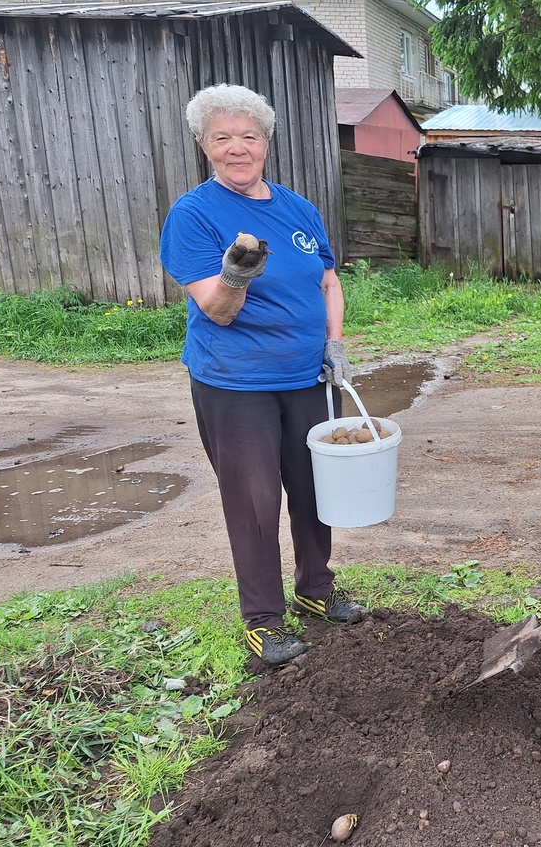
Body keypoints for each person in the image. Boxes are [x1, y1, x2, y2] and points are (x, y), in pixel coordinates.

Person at [159, 83, 364, 666]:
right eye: (222, 138)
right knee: (253, 502)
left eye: (248, 137)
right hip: (235, 382)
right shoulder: (195, 214)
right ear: (204, 146)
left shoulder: (299, 209)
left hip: (308, 375)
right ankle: (263, 621)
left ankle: (316, 591)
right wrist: (236, 273)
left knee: (313, 488)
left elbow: (327, 281)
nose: (237, 149)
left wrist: (335, 343)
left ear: (266, 143)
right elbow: (217, 311)